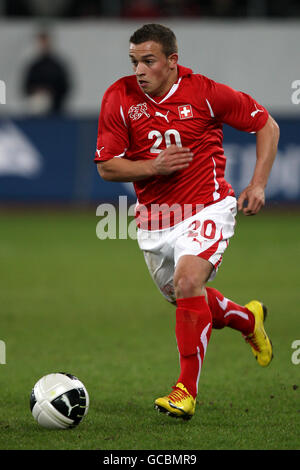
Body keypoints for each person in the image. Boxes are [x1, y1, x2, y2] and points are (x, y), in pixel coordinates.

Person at [94, 24, 279, 420]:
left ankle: (185, 391)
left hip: (208, 207)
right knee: (186, 299)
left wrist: (258, 185)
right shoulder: (119, 96)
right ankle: (249, 319)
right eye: (134, 61)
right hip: (155, 221)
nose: (139, 70)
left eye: (148, 61)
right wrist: (152, 167)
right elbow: (107, 167)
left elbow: (267, 124)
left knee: (188, 282)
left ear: (172, 62)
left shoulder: (206, 93)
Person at [22, 30, 71, 114]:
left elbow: (65, 87)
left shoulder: (57, 66)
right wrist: (37, 90)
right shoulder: (34, 67)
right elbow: (26, 87)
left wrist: (51, 92)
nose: (43, 45)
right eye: (41, 42)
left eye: (45, 41)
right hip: (36, 112)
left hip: (56, 111)